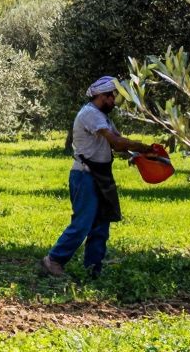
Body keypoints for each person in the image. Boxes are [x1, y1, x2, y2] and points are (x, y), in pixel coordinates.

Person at [41, 76, 164, 278]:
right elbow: (116, 142)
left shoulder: (103, 117)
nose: (114, 101)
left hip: (100, 177)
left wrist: (138, 156)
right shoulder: (90, 114)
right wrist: (142, 146)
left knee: (101, 226)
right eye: (112, 96)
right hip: (84, 176)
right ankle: (53, 260)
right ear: (102, 96)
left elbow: (116, 146)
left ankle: (93, 269)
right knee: (83, 223)